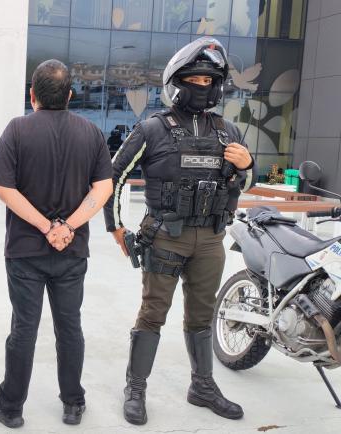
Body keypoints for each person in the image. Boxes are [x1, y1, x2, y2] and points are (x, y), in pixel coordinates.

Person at [103, 37, 256, 426]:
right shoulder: (152, 129)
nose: (202, 86)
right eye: (194, 79)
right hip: (165, 237)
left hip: (211, 241)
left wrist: (247, 165)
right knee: (153, 313)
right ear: (177, 81)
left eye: (208, 81)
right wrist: (115, 226)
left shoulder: (229, 132)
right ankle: (135, 388)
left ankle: (202, 386)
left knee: (202, 317)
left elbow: (245, 185)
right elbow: (112, 176)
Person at [0, 59, 113, 428]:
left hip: (25, 251)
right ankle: (73, 404)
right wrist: (66, 227)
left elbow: (4, 188)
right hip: (72, 250)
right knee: (70, 327)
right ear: (70, 95)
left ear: (32, 95)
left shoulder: (17, 129)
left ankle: (11, 408)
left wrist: (45, 227)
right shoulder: (91, 133)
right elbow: (104, 187)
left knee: (24, 329)